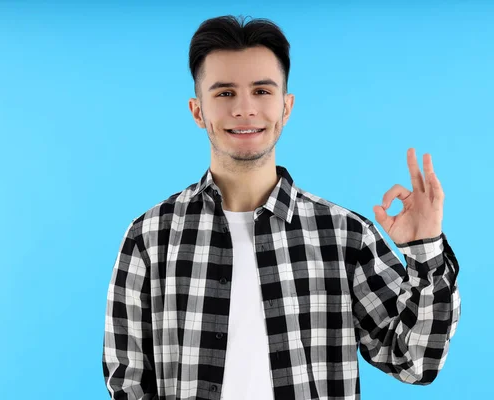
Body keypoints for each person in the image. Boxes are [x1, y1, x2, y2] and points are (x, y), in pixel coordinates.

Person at [102, 14, 461, 400]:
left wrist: (425, 251)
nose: (244, 109)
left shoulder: (344, 236)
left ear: (286, 107)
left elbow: (415, 362)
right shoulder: (150, 237)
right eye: (224, 93)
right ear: (197, 110)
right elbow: (128, 382)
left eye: (261, 91)